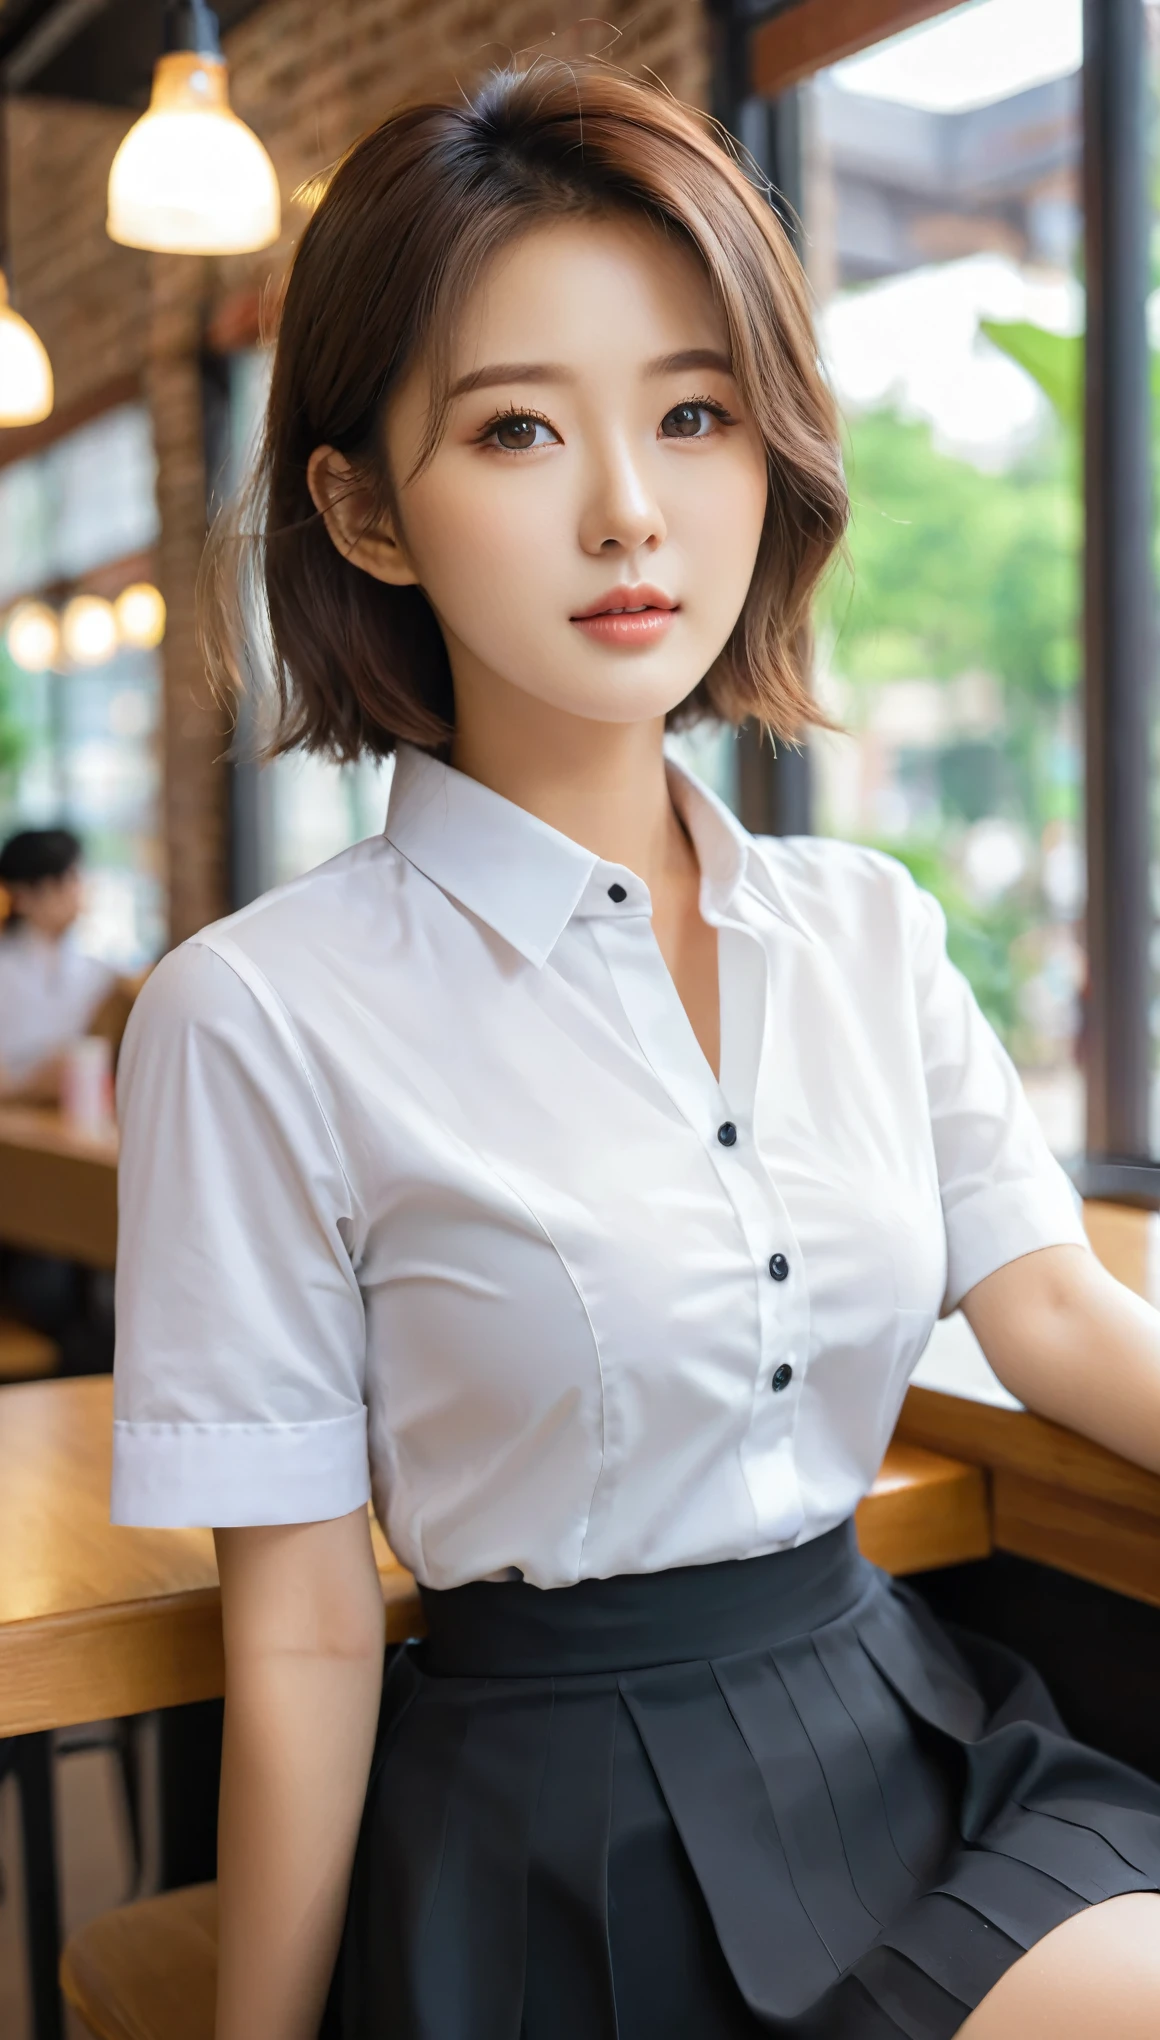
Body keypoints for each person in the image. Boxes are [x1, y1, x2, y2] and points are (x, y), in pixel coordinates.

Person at [111, 60, 1160, 2040]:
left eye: (692, 413)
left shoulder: (864, 926)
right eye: (516, 430)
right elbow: (312, 1625)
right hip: (559, 1848)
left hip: (905, 1734)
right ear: (364, 509)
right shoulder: (257, 1016)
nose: (629, 509)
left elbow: (1059, 1319)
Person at [0, 826, 115, 1103]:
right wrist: (29, 1084)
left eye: (77, 877)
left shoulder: (99, 974)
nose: (76, 891)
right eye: (65, 880)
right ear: (22, 894)